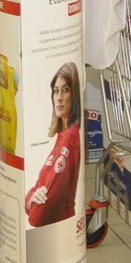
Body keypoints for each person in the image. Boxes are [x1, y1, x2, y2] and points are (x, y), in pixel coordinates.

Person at [25, 62, 81, 227]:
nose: (59, 98)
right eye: (56, 91)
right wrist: (31, 199)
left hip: (59, 229)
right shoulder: (61, 135)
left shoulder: (70, 138)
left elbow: (36, 218)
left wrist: (31, 203)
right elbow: (38, 186)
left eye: (65, 90)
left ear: (75, 94)